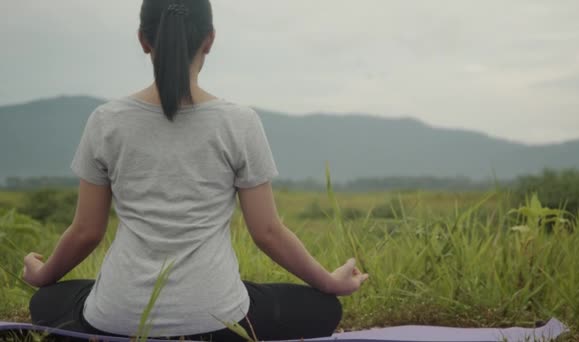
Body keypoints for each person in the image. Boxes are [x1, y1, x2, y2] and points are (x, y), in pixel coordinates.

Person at [22, 0, 369, 341]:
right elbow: (267, 232)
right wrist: (329, 282)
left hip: (114, 319)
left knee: (47, 302)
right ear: (210, 39)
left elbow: (86, 232)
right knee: (324, 309)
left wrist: (41, 275)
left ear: (144, 40)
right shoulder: (239, 123)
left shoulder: (105, 121)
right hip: (218, 323)